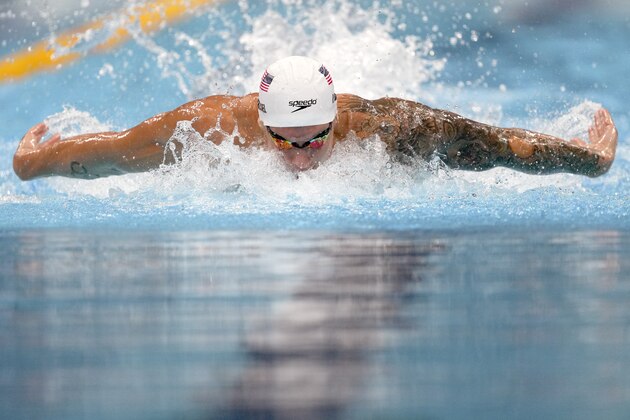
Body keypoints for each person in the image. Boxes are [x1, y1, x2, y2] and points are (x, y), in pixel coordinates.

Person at [13, 56, 618, 180]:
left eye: (315, 140)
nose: (301, 159)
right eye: (285, 142)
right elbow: (116, 151)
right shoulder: (213, 126)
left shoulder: (381, 127)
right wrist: (32, 164)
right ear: (260, 119)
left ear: (337, 119)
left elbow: (496, 145)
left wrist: (589, 162)